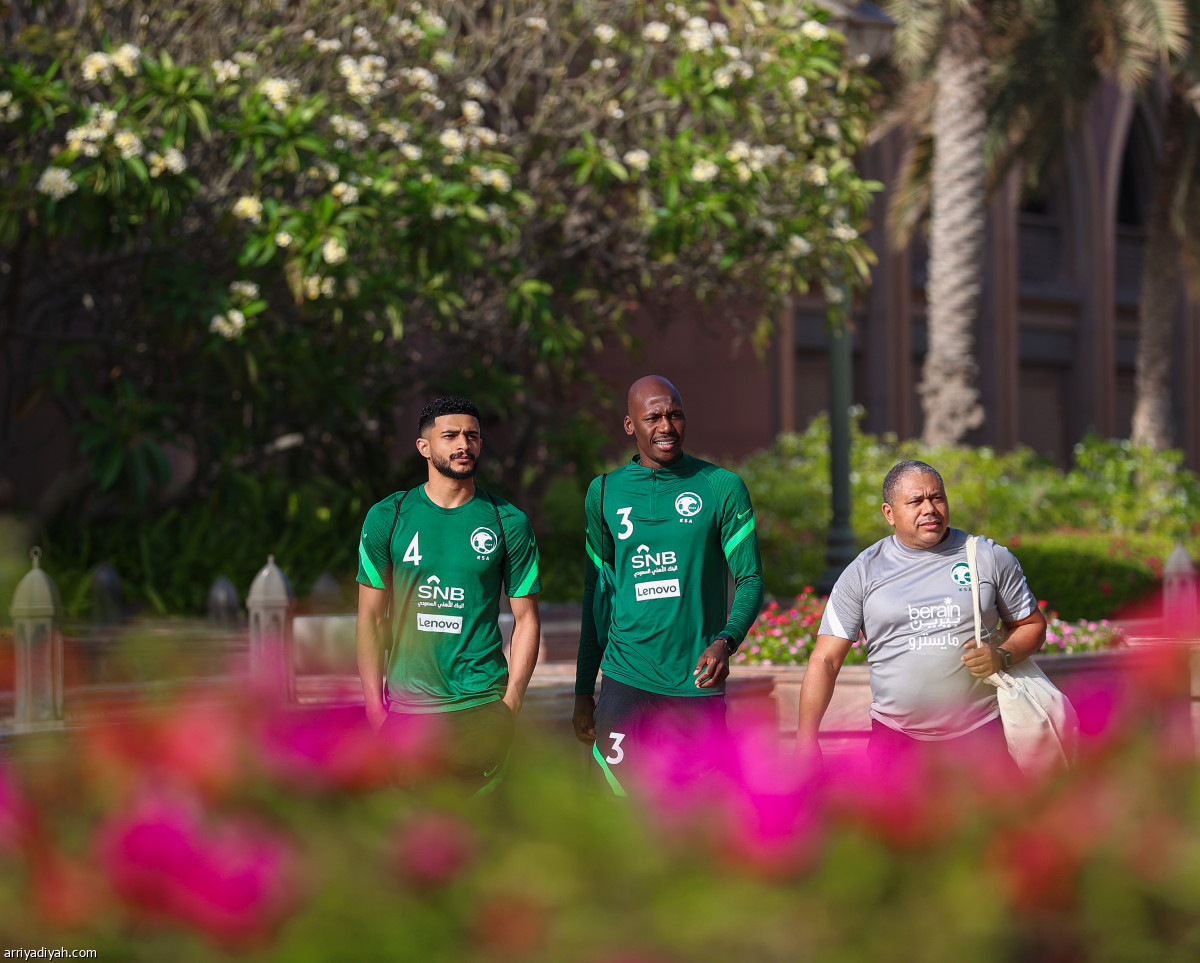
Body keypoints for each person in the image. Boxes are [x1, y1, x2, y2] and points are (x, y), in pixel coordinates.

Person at [573, 375, 764, 794]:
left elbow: (750, 579)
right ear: (630, 426)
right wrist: (584, 689)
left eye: (675, 415)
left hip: (695, 682)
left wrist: (725, 641)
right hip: (625, 678)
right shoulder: (603, 492)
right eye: (653, 417)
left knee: (695, 812)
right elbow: (597, 595)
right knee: (614, 806)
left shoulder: (721, 486)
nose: (666, 426)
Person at [795, 459, 1046, 770]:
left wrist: (1002, 655)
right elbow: (825, 659)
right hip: (895, 743)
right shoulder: (863, 571)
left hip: (980, 738)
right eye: (915, 501)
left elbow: (1032, 626)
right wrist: (806, 738)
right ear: (889, 513)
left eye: (937, 498)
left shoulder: (987, 556)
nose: (929, 508)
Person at [356, 396, 542, 794]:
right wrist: (375, 710)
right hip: (408, 715)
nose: (464, 444)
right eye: (451, 435)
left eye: (472, 436)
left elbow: (527, 619)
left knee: (485, 842)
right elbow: (369, 620)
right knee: (412, 845)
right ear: (424, 447)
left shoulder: (507, 521)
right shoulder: (387, 517)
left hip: (480, 707)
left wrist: (510, 705)